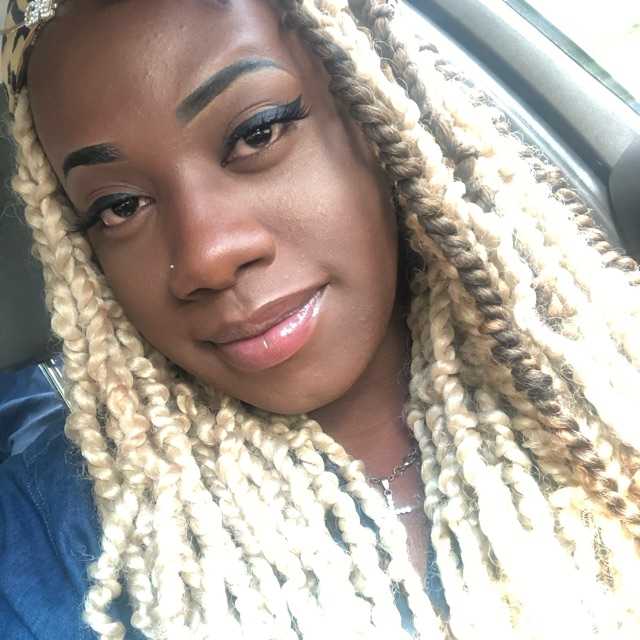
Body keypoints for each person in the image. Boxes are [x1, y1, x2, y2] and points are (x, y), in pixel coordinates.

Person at [1, 0, 640, 638]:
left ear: (370, 110)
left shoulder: (609, 374)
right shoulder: (48, 534)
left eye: (258, 133)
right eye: (119, 206)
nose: (205, 257)